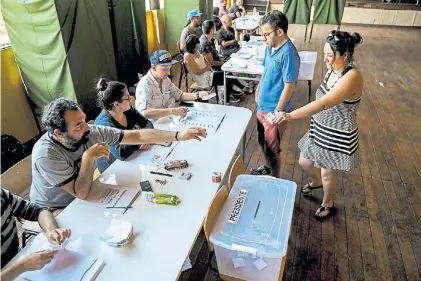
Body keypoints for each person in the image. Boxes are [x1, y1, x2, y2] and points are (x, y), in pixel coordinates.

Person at [29, 98, 207, 208]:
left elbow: (136, 135)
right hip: (57, 207)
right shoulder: (46, 155)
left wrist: (177, 135)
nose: (86, 127)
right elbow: (80, 193)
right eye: (78, 125)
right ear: (59, 133)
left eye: (84, 120)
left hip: (87, 193)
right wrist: (88, 157)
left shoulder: (89, 131)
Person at [280, 31, 364, 220]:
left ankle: (328, 202)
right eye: (324, 53)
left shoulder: (352, 76)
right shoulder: (333, 68)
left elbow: (323, 103)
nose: (325, 59)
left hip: (337, 130)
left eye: (329, 55)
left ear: (345, 54)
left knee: (327, 173)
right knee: (304, 161)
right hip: (320, 125)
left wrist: (289, 115)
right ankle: (317, 181)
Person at [250, 10, 300, 178]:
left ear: (279, 32)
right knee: (262, 140)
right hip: (263, 105)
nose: (264, 38)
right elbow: (266, 70)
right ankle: (267, 167)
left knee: (273, 149)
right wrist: (258, 88)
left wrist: (277, 112)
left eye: (266, 34)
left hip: (274, 111)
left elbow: (289, 86)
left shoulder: (288, 53)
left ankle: (274, 178)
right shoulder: (270, 47)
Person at [1, 188, 71, 280]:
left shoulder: (2, 196)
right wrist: (23, 265)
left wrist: (51, 230)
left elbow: (39, 211)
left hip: (14, 260)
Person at [95, 78, 154, 173]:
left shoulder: (128, 110)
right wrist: (141, 140)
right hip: (112, 170)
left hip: (133, 159)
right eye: (127, 97)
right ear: (116, 104)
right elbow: (120, 152)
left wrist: (144, 137)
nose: (131, 98)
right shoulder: (103, 124)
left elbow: (147, 123)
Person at [135, 50, 208, 120]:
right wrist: (172, 111)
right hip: (153, 124)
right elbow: (145, 112)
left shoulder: (165, 79)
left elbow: (179, 95)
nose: (169, 73)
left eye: (169, 68)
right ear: (154, 67)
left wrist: (197, 95)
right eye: (165, 69)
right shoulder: (145, 85)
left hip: (167, 119)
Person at [184, 35, 253, 104]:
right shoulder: (188, 55)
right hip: (202, 79)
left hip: (208, 74)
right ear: (191, 47)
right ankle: (227, 98)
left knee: (228, 74)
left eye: (197, 46)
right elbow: (196, 71)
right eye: (195, 47)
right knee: (227, 76)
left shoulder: (196, 52)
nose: (197, 48)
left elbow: (205, 63)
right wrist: (206, 69)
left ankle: (230, 94)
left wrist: (209, 69)